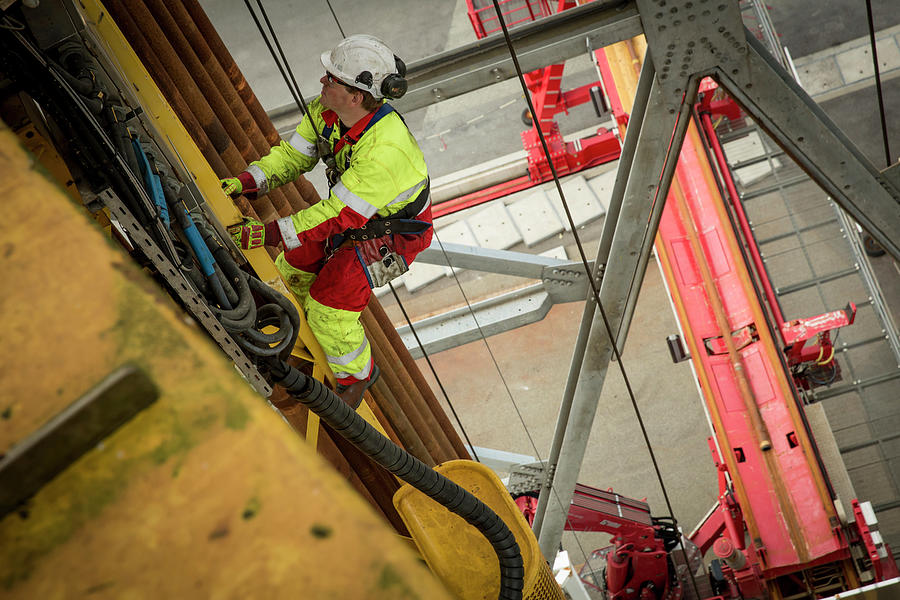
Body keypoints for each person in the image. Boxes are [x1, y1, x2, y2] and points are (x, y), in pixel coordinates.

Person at [222, 34, 432, 403]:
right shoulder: (325, 112)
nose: (322, 82)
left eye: (331, 78)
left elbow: (340, 214)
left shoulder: (387, 150)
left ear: (355, 95)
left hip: (389, 236)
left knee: (328, 310)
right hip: (353, 219)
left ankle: (357, 377)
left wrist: (273, 232)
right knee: (291, 268)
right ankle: (303, 338)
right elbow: (293, 158)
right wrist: (246, 182)